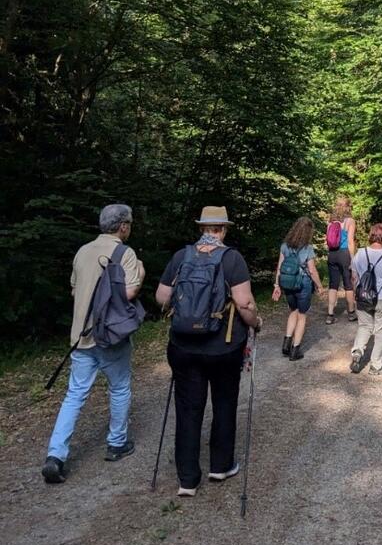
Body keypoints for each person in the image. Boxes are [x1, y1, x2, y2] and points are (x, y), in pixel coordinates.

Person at [155, 206, 262, 497]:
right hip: (223, 347)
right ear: (223, 229)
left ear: (202, 228)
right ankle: (220, 466)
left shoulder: (181, 256)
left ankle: (187, 480)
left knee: (188, 409)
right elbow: (245, 304)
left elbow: (162, 297)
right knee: (224, 402)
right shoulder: (232, 259)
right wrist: (256, 323)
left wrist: (185, 312)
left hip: (183, 345)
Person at [42, 203, 145, 484]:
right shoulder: (124, 253)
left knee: (74, 395)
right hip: (111, 336)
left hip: (81, 337)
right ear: (122, 226)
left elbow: (75, 290)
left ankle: (55, 455)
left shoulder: (83, 251)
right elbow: (130, 292)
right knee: (119, 387)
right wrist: (142, 273)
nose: (130, 228)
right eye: (130, 224)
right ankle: (116, 444)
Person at [349, 223, 382, 376]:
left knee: (364, 326)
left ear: (371, 235)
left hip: (363, 297)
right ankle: (376, 366)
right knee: (380, 331)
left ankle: (358, 351)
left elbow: (354, 277)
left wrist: (354, 294)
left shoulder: (360, 253)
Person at [272, 217, 324, 361]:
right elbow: (312, 271)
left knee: (292, 311)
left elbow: (280, 268)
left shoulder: (284, 246)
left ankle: (286, 344)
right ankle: (295, 350)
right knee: (302, 315)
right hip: (303, 284)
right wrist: (320, 287)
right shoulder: (308, 249)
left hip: (287, 283)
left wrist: (277, 285)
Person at [325, 196, 357, 325]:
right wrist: (353, 259)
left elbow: (328, 241)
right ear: (347, 206)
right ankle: (351, 313)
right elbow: (350, 241)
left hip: (332, 254)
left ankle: (330, 314)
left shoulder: (330, 222)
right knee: (348, 284)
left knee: (333, 285)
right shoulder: (350, 221)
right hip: (344, 254)